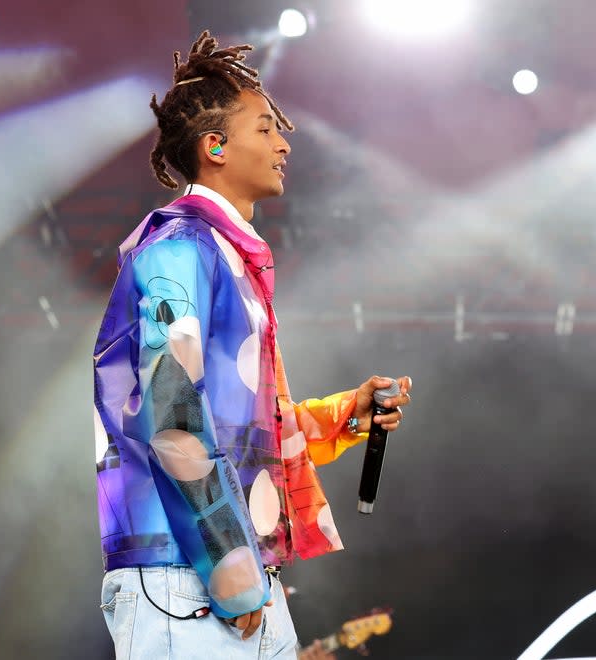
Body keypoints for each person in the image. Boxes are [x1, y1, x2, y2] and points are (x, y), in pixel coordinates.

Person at [94, 30, 413, 658]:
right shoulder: (180, 251)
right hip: (187, 578)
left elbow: (246, 427)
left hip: (224, 572)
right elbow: (173, 416)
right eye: (265, 128)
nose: (283, 142)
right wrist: (229, 572)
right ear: (215, 146)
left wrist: (348, 413)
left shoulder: (225, 257)